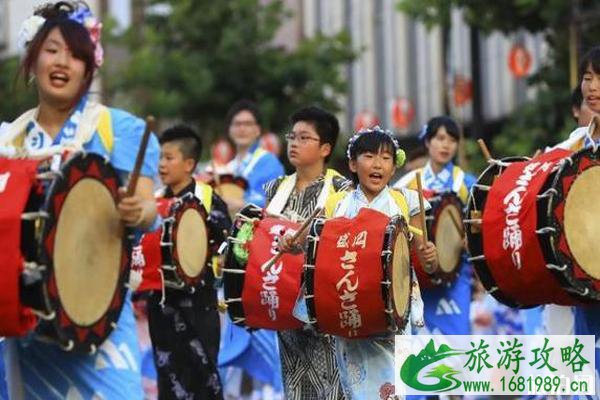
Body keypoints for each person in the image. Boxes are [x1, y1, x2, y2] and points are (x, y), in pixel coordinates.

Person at [0, 2, 159, 399]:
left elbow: (147, 207)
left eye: (75, 54)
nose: (62, 62)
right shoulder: (9, 140)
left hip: (97, 315)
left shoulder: (115, 128)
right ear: (33, 58)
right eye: (51, 49)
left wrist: (138, 210)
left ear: (90, 68)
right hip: (30, 320)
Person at [324, 126, 438, 400]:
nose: (378, 164)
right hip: (351, 308)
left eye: (386, 157)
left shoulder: (407, 201)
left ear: (393, 165)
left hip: (394, 314)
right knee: (356, 388)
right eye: (369, 156)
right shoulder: (335, 204)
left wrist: (429, 259)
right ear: (352, 163)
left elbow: (428, 264)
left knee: (392, 390)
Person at [264, 106, 352, 400]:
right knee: (295, 385)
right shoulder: (274, 189)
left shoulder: (343, 190)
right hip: (286, 307)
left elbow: (347, 246)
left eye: (304, 138)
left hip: (325, 309)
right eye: (292, 136)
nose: (294, 143)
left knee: (334, 386)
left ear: (325, 148)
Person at [147, 125, 230, 399]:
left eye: (169, 158)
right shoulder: (153, 202)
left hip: (198, 305)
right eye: (160, 158)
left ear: (189, 163)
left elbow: (226, 239)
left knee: (203, 379)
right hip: (160, 305)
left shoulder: (207, 198)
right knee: (168, 380)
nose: (161, 164)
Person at [394, 116, 475, 336]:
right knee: (420, 347)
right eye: (440, 138)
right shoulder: (408, 182)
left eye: (451, 140)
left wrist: (473, 238)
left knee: (456, 341)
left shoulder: (466, 183)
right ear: (428, 142)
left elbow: (479, 224)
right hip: (417, 277)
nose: (446, 145)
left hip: (456, 275)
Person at [222, 99, 284, 214]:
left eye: (248, 124)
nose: (242, 129)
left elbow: (276, 203)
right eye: (237, 124)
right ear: (229, 129)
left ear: (257, 130)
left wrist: (240, 203)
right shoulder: (228, 167)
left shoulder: (269, 162)